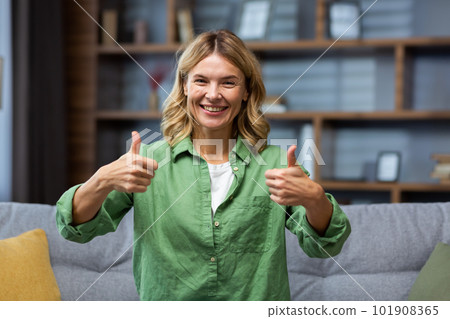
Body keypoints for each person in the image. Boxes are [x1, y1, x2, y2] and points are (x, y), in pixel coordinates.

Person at [56, 29, 351, 301]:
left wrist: (314, 199)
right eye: (201, 80)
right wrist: (102, 180)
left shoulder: (275, 163)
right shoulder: (147, 160)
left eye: (228, 82)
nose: (213, 94)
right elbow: (75, 229)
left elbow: (327, 245)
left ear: (246, 91)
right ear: (184, 86)